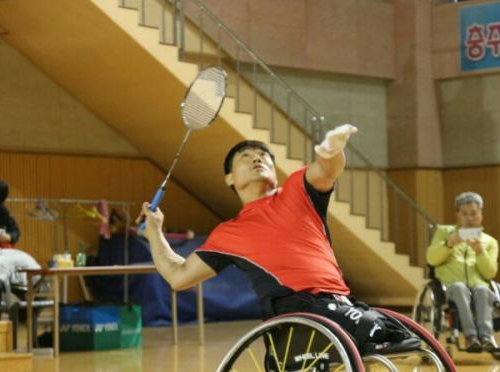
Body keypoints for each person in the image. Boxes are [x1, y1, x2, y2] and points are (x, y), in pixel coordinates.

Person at [139, 125, 412, 353]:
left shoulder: (296, 191)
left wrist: (331, 150)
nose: (257, 159)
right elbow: (178, 275)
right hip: (295, 313)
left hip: (339, 302)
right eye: (246, 156)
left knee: (401, 332)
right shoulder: (228, 233)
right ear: (229, 178)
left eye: (264, 156)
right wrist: (155, 234)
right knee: (373, 327)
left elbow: (326, 170)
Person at [426, 192, 499, 352]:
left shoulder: (490, 241)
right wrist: (449, 244)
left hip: (478, 286)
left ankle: (486, 337)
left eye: (474, 213)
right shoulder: (444, 232)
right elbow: (431, 259)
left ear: (481, 214)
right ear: (457, 214)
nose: (469, 218)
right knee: (459, 287)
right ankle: (471, 336)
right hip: (451, 287)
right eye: (464, 214)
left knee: (482, 290)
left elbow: (490, 273)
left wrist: (480, 252)